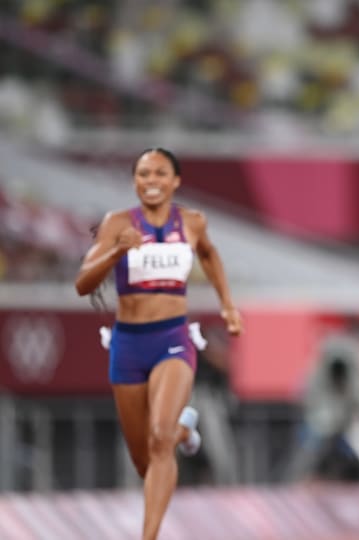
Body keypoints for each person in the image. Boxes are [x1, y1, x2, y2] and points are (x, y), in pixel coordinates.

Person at [74, 148, 242, 540]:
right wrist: (117, 250)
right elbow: (83, 283)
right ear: (135, 182)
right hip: (129, 344)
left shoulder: (193, 222)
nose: (151, 181)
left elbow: (210, 256)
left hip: (172, 339)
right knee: (143, 457)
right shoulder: (117, 223)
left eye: (160, 174)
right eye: (143, 174)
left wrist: (228, 306)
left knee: (158, 440)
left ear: (175, 181)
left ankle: (148, 535)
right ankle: (186, 430)